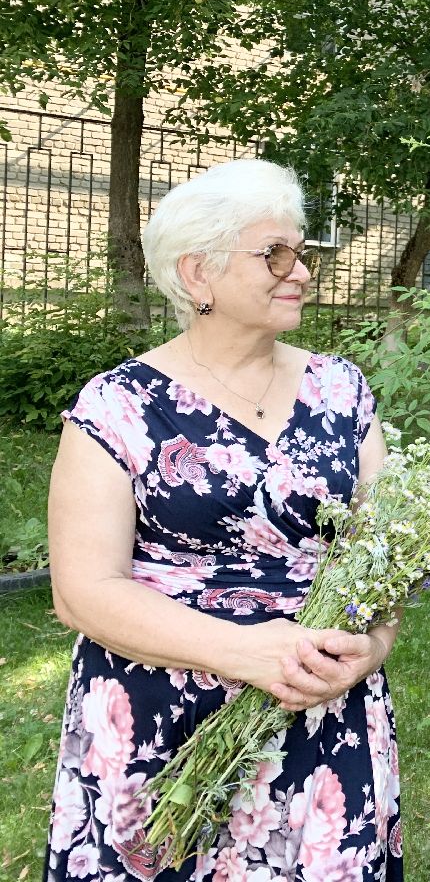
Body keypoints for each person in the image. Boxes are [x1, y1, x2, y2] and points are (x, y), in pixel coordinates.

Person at [45, 159, 402, 880]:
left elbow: (385, 548)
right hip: (160, 723)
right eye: (275, 254)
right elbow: (81, 590)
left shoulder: (342, 388)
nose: (300, 271)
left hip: (320, 715)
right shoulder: (118, 406)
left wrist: (374, 645)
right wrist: (245, 654)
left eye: (303, 252)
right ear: (197, 273)